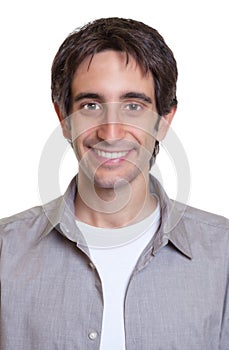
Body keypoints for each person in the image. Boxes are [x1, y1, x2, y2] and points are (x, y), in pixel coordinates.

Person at [0, 17, 228, 350]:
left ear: (164, 121)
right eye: (90, 106)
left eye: (133, 106)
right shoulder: (5, 254)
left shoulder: (223, 255)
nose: (111, 132)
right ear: (64, 120)